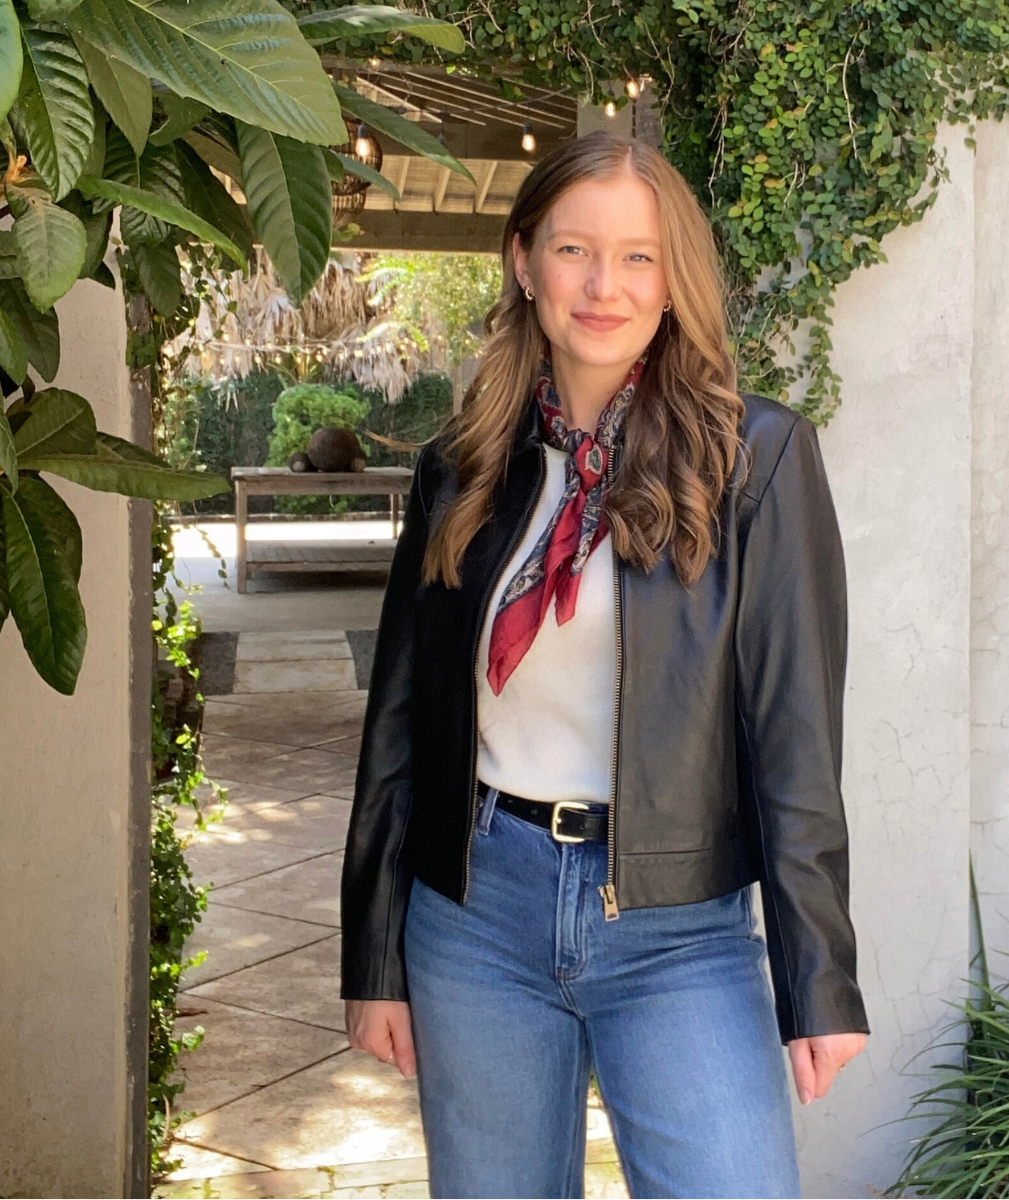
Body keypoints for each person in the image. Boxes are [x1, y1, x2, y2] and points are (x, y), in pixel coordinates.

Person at [340, 131, 870, 1200]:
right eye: (574, 250)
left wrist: (818, 977)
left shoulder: (756, 460)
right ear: (524, 260)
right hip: (476, 916)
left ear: (674, 280)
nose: (604, 286)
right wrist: (376, 955)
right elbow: (399, 726)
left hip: (678, 933)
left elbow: (795, 739)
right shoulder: (460, 468)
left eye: (638, 257)